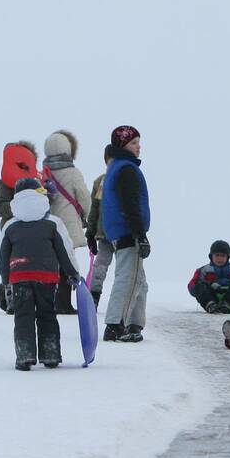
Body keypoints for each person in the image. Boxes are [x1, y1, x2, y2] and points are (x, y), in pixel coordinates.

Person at [0, 178, 80, 371]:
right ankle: (50, 355)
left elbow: (2, 254)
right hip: (46, 277)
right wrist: (72, 273)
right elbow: (65, 250)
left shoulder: (10, 225)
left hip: (19, 276)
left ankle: (25, 356)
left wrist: (5, 280)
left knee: (23, 316)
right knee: (47, 314)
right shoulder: (53, 223)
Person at [101, 125, 151, 343]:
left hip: (118, 231)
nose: (138, 147)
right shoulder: (126, 169)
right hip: (127, 232)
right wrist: (140, 234)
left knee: (139, 280)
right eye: (133, 142)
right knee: (128, 279)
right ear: (122, 145)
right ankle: (115, 325)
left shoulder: (115, 167)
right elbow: (130, 204)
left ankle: (134, 323)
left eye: (138, 142)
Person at [42, 130, 91, 314]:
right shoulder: (72, 172)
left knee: (53, 263)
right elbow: (84, 197)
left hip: (49, 224)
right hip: (68, 225)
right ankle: (63, 303)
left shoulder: (44, 172)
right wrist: (87, 215)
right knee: (66, 262)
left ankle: (53, 300)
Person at [0, 141, 39, 312]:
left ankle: (5, 294)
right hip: (11, 227)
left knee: (27, 262)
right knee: (11, 260)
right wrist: (18, 207)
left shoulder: (36, 181)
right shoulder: (3, 184)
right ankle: (9, 294)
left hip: (30, 228)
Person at [84, 144, 115, 308]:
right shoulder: (100, 181)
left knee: (103, 266)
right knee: (101, 266)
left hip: (111, 232)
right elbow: (94, 208)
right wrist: (90, 232)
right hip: (105, 234)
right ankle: (94, 296)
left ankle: (99, 297)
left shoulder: (102, 181)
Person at [187, 240, 230, 313]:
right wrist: (209, 285)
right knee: (199, 283)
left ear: (227, 257)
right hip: (211, 302)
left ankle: (228, 304)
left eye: (223, 255)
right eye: (217, 255)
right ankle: (211, 306)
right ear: (211, 256)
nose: (220, 259)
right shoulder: (202, 271)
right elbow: (192, 286)